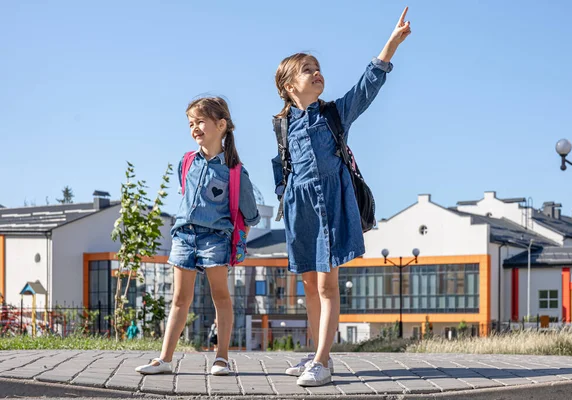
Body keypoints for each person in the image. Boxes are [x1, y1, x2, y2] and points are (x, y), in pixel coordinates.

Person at [271, 7, 412, 387]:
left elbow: (367, 86)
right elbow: (281, 166)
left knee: (326, 286)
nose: (317, 72)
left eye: (318, 67)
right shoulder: (282, 125)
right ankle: (320, 354)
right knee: (309, 288)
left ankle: (321, 361)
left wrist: (391, 45)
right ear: (288, 86)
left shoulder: (333, 114)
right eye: (307, 69)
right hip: (300, 212)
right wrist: (284, 196)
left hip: (330, 205)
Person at [136, 97, 260, 376]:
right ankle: (164, 359)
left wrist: (236, 238)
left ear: (221, 124)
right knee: (180, 297)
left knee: (220, 296)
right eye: (191, 123)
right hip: (184, 236)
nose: (194, 128)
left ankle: (222, 358)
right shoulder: (187, 161)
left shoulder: (234, 171)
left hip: (216, 238)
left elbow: (250, 214)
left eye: (200, 121)